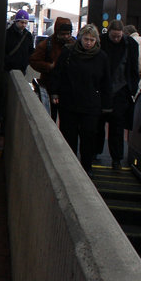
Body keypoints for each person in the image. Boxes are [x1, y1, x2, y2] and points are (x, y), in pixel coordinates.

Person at [50, 24, 112, 175]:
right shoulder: (69, 52)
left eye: (91, 40)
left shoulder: (102, 57)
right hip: (69, 102)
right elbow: (58, 73)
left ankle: (86, 165)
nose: (88, 43)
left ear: (96, 40)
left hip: (91, 105)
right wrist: (54, 93)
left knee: (89, 136)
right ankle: (69, 165)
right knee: (69, 135)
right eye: (86, 39)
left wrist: (106, 105)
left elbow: (106, 82)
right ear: (80, 38)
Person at [100, 20, 141, 170]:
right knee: (101, 124)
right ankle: (105, 154)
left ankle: (116, 159)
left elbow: (134, 68)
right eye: (114, 36)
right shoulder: (102, 41)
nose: (116, 39)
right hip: (106, 89)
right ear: (109, 33)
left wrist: (132, 89)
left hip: (121, 91)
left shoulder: (130, 45)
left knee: (116, 126)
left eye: (118, 36)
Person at [29, 17, 74, 121]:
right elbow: (33, 61)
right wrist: (49, 66)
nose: (66, 37)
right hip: (49, 86)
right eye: (63, 34)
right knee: (49, 117)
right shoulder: (46, 45)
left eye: (68, 34)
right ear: (57, 32)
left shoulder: (73, 44)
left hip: (67, 88)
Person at [4, 9, 34, 74]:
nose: (24, 25)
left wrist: (26, 62)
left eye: (26, 23)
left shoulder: (28, 35)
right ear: (16, 21)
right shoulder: (7, 34)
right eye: (22, 22)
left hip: (22, 69)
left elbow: (30, 50)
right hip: (8, 69)